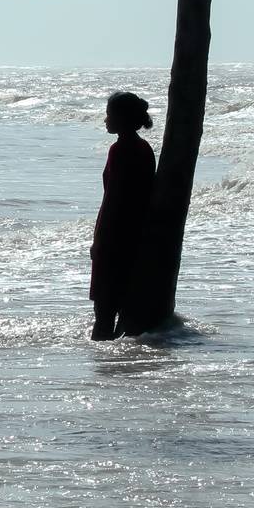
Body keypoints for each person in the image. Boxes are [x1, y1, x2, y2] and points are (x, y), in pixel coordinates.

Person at [89, 91, 156, 340]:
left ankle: (102, 371)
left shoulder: (121, 149)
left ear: (122, 118)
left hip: (116, 236)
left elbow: (113, 199)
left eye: (109, 115)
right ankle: (118, 368)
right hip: (136, 234)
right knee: (122, 307)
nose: (106, 120)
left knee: (104, 312)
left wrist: (99, 241)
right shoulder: (143, 147)